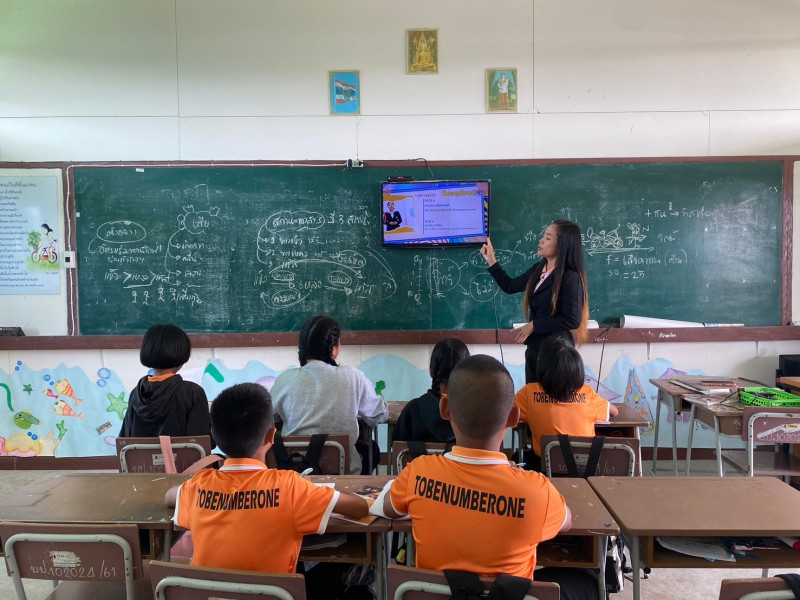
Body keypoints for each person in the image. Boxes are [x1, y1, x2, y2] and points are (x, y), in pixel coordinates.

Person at [378, 354, 571, 577]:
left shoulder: (417, 473)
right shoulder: (538, 492)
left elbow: (388, 508)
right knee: (582, 579)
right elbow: (566, 521)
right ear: (513, 418)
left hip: (434, 592)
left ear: (445, 409)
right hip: (507, 592)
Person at [166, 382, 368, 575]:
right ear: (271, 436)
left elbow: (169, 496)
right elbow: (359, 508)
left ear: (214, 435)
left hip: (211, 593)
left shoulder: (198, 485)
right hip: (274, 592)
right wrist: (310, 489)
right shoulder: (292, 486)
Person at [270, 315, 388, 475]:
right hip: (343, 471)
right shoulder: (353, 377)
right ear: (333, 349)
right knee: (371, 449)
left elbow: (268, 418)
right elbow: (378, 415)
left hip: (295, 471)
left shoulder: (285, 379)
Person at [480, 219, 589, 384]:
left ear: (562, 245)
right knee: (533, 396)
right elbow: (509, 286)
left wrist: (534, 325)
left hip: (557, 354)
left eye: (548, 238)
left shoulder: (570, 277)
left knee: (551, 398)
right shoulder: (538, 269)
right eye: (543, 236)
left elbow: (572, 319)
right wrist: (491, 260)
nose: (541, 241)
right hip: (535, 350)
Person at [515, 335, 619, 472]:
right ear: (577, 369)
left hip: (547, 469)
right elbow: (614, 411)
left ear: (541, 366)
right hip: (584, 471)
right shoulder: (587, 394)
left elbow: (505, 412)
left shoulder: (529, 393)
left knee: (518, 458)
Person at [118, 323, 212, 443]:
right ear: (182, 356)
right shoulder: (192, 393)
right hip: (180, 457)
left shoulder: (136, 393)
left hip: (141, 457)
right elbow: (202, 443)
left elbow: (125, 442)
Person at [393, 338, 469, 444]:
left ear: (431, 372)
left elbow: (397, 449)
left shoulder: (412, 411)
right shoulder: (475, 414)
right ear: (467, 373)